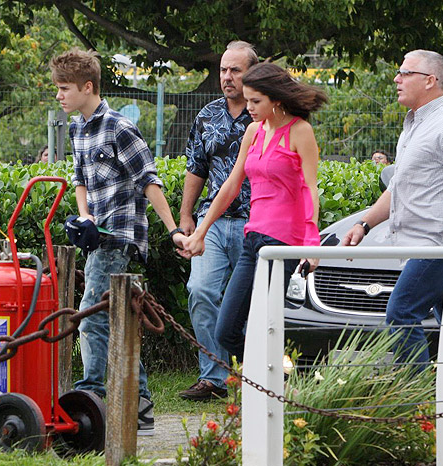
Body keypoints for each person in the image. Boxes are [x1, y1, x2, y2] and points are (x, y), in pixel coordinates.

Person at [341, 50, 443, 405]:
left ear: (430, 80)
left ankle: (416, 407)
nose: (396, 79)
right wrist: (363, 224)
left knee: (402, 311)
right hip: (427, 244)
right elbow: (399, 187)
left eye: (405, 73)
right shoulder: (415, 126)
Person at [50, 47, 186, 436]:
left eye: (64, 88)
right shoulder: (77, 128)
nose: (58, 95)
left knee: (91, 316)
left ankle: (91, 395)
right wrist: (85, 216)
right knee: (112, 319)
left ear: (87, 86)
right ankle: (139, 403)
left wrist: (173, 228)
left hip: (121, 234)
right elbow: (80, 181)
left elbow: (149, 180)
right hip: (97, 233)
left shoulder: (119, 127)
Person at [182, 62, 327, 362]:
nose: (248, 107)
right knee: (227, 331)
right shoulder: (253, 131)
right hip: (253, 241)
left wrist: (311, 244)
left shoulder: (300, 131)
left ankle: (279, 386)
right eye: (247, 100)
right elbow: (231, 185)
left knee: (266, 325)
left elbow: (309, 189)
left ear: (276, 99)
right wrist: (200, 231)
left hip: (283, 244)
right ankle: (283, 376)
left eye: (256, 101)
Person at [177, 41, 258, 401]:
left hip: (254, 223)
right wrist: (185, 216)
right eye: (224, 70)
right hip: (212, 221)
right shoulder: (207, 115)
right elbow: (196, 168)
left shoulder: (267, 118)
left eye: (235, 70)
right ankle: (214, 377)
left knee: (255, 301)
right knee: (200, 291)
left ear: (251, 74)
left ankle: (255, 374)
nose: (227, 77)